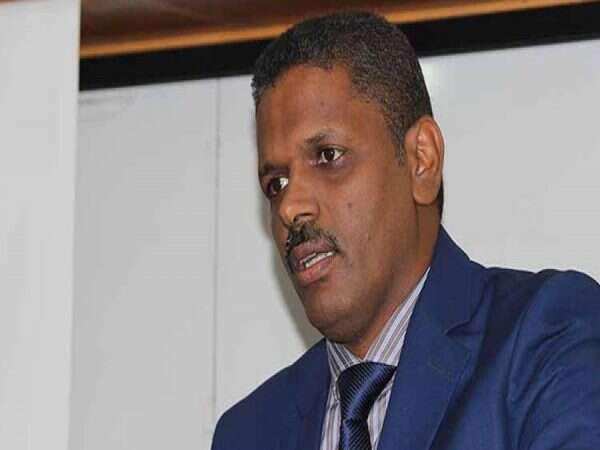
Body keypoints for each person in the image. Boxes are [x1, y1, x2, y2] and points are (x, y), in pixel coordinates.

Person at [212, 11, 600, 450]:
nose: (289, 207)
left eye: (328, 155)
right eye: (275, 183)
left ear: (421, 161)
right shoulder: (248, 432)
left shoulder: (547, 338)